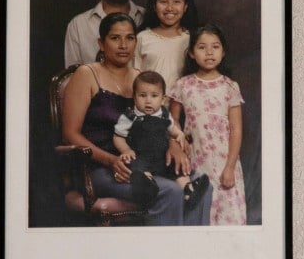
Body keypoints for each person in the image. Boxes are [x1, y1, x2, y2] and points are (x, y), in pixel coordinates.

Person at [62, 12, 212, 226]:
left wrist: (172, 143)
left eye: (130, 38)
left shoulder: (140, 77)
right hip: (100, 166)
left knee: (201, 186)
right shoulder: (87, 74)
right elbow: (70, 134)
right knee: (169, 191)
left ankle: (188, 254)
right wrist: (111, 160)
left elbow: (160, 118)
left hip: (145, 162)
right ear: (101, 43)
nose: (123, 45)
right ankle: (161, 257)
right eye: (115, 38)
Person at [169, 23, 246, 225]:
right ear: (192, 53)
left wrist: (230, 166)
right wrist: (179, 141)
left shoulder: (230, 86)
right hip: (195, 158)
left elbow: (236, 129)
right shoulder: (183, 84)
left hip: (224, 160)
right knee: (200, 210)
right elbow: (172, 119)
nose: (209, 52)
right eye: (202, 47)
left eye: (215, 47)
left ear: (223, 51)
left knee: (228, 216)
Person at [112, 70, 209, 209]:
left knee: (176, 167)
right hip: (140, 156)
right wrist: (126, 149)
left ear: (163, 99)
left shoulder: (164, 113)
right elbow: (118, 137)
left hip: (162, 157)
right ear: (134, 97)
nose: (148, 101)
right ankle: (147, 187)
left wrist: (179, 134)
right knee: (135, 166)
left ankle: (188, 190)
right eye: (142, 95)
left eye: (154, 96)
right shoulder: (130, 115)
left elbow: (172, 129)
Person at [133, 0, 198, 90]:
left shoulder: (192, 39)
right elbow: (134, 76)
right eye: (163, 2)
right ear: (154, 6)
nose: (170, 8)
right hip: (149, 104)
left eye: (176, 2)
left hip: (183, 104)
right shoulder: (142, 38)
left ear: (185, 6)